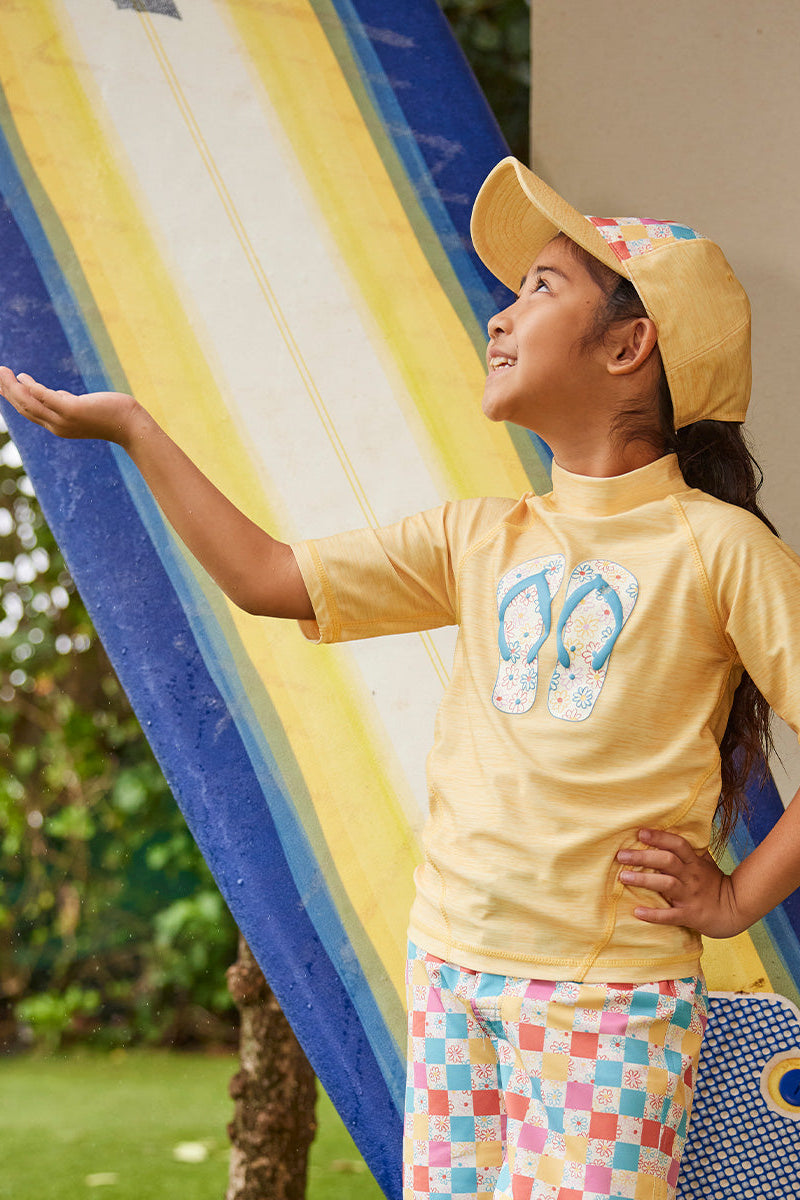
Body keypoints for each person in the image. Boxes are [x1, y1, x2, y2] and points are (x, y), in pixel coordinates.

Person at [2, 156, 800, 1200]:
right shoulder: (479, 536)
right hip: (450, 975)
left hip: (606, 1002)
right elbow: (268, 578)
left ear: (626, 344)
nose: (501, 319)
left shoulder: (718, 549)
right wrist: (134, 431)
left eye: (539, 290)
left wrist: (738, 896)